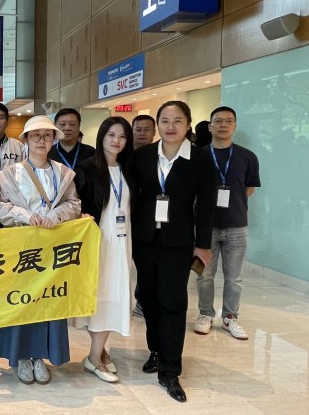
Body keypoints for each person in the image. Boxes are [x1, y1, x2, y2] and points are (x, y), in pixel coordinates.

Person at [131, 101, 216, 403]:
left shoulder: (201, 159)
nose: (170, 126)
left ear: (188, 124)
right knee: (148, 299)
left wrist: (203, 244)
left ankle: (170, 370)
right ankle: (155, 350)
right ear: (157, 125)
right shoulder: (142, 155)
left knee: (173, 302)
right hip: (144, 239)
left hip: (178, 242)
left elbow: (206, 204)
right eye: (164, 120)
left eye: (177, 121)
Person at [0, 115, 81, 385]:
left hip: (52, 248)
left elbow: (74, 204)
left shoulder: (63, 173)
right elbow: (0, 207)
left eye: (47, 135)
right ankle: (21, 357)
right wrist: (27, 216)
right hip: (20, 248)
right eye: (35, 136)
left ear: (53, 140)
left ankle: (40, 355)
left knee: (48, 300)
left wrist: (55, 216)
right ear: (26, 140)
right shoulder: (9, 173)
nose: (41, 141)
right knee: (20, 300)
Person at [71, 117, 136, 384]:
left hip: (123, 241)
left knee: (117, 293)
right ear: (101, 137)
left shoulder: (129, 169)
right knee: (100, 295)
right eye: (111, 135)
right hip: (98, 241)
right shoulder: (86, 168)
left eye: (122, 136)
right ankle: (94, 357)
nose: (116, 141)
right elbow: (74, 204)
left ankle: (98, 352)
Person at [194, 106, 261, 340]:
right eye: (218, 120)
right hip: (206, 226)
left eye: (229, 121)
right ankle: (205, 314)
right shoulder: (198, 155)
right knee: (204, 275)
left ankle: (230, 317)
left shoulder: (247, 156)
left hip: (236, 225)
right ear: (210, 126)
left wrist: (232, 206)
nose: (223, 124)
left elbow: (249, 189)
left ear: (235, 126)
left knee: (234, 277)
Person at [130, 114, 157, 318]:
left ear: (154, 132)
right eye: (138, 129)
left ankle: (142, 299)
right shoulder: (123, 155)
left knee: (145, 263)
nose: (142, 133)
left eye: (147, 129)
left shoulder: (159, 156)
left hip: (149, 218)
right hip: (123, 216)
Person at [49, 107, 95, 191]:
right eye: (62, 124)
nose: (67, 128)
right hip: (57, 198)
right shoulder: (48, 153)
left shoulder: (91, 152)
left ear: (79, 126)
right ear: (55, 126)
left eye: (72, 124)